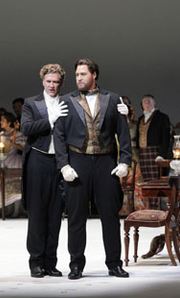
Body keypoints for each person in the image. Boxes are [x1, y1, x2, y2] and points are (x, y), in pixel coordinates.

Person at [54, 58, 132, 279]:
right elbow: (58, 135)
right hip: (77, 161)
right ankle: (76, 265)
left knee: (110, 215)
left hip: (105, 162)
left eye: (83, 74)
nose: (79, 78)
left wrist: (125, 161)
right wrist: (64, 165)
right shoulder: (66, 100)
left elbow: (123, 133)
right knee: (76, 216)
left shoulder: (112, 98)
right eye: (77, 75)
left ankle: (114, 263)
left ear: (94, 75)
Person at [20, 63, 68, 278]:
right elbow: (26, 129)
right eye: (48, 81)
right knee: (38, 212)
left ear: (61, 83)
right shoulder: (31, 103)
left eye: (56, 82)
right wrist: (50, 119)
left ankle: (51, 261)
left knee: (56, 213)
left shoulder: (67, 102)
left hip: (59, 162)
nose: (52, 85)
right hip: (38, 160)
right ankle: (36, 262)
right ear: (42, 81)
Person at [136, 94, 171, 182]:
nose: (147, 104)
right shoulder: (140, 118)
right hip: (143, 152)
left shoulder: (162, 117)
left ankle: (156, 196)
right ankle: (148, 196)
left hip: (156, 151)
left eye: (149, 102)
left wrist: (161, 154)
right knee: (146, 178)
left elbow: (166, 137)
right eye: (144, 102)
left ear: (154, 104)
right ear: (142, 105)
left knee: (156, 178)